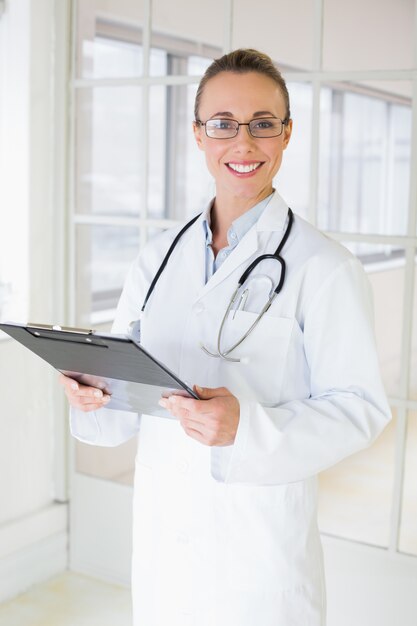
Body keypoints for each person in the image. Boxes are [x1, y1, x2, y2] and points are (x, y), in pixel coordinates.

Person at [60, 48, 391, 626]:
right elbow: (128, 380)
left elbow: (360, 409)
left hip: (258, 544)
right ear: (198, 135)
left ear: (287, 135)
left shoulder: (324, 266)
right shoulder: (158, 257)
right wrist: (96, 391)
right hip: (166, 532)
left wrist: (248, 429)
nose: (243, 144)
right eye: (223, 125)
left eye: (263, 124)